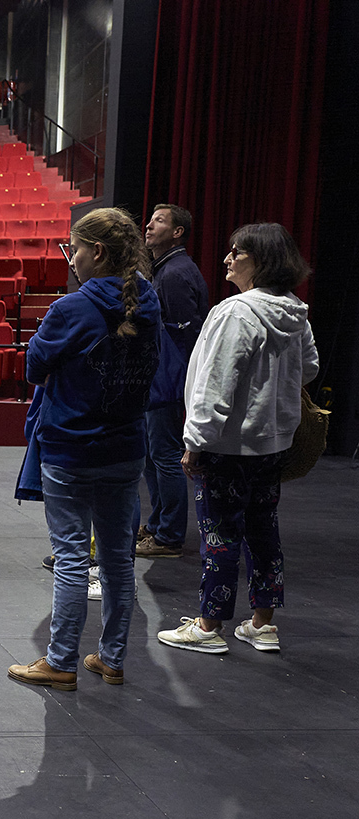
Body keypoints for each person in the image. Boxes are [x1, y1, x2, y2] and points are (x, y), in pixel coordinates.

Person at [8, 208, 161, 691]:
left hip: (71, 450)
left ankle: (61, 661)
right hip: (125, 448)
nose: (71, 258)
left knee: (72, 556)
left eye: (74, 248)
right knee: (117, 557)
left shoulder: (71, 309)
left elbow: (34, 366)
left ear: (96, 252)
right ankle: (112, 659)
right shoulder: (148, 303)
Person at [158, 223, 318, 655]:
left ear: (260, 261)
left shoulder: (236, 312)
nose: (228, 259)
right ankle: (262, 625)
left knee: (220, 533)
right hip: (273, 444)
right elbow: (311, 369)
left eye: (238, 253)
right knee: (263, 529)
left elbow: (215, 384)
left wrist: (196, 440)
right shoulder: (295, 311)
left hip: (228, 446)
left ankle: (209, 626)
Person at [137, 204, 211, 558]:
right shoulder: (167, 270)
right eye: (151, 220)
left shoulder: (175, 274)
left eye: (159, 221)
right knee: (153, 456)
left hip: (168, 381)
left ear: (177, 232)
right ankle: (157, 524)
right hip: (163, 379)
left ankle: (168, 536)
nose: (149, 225)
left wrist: (175, 382)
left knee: (164, 455)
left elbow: (184, 339)